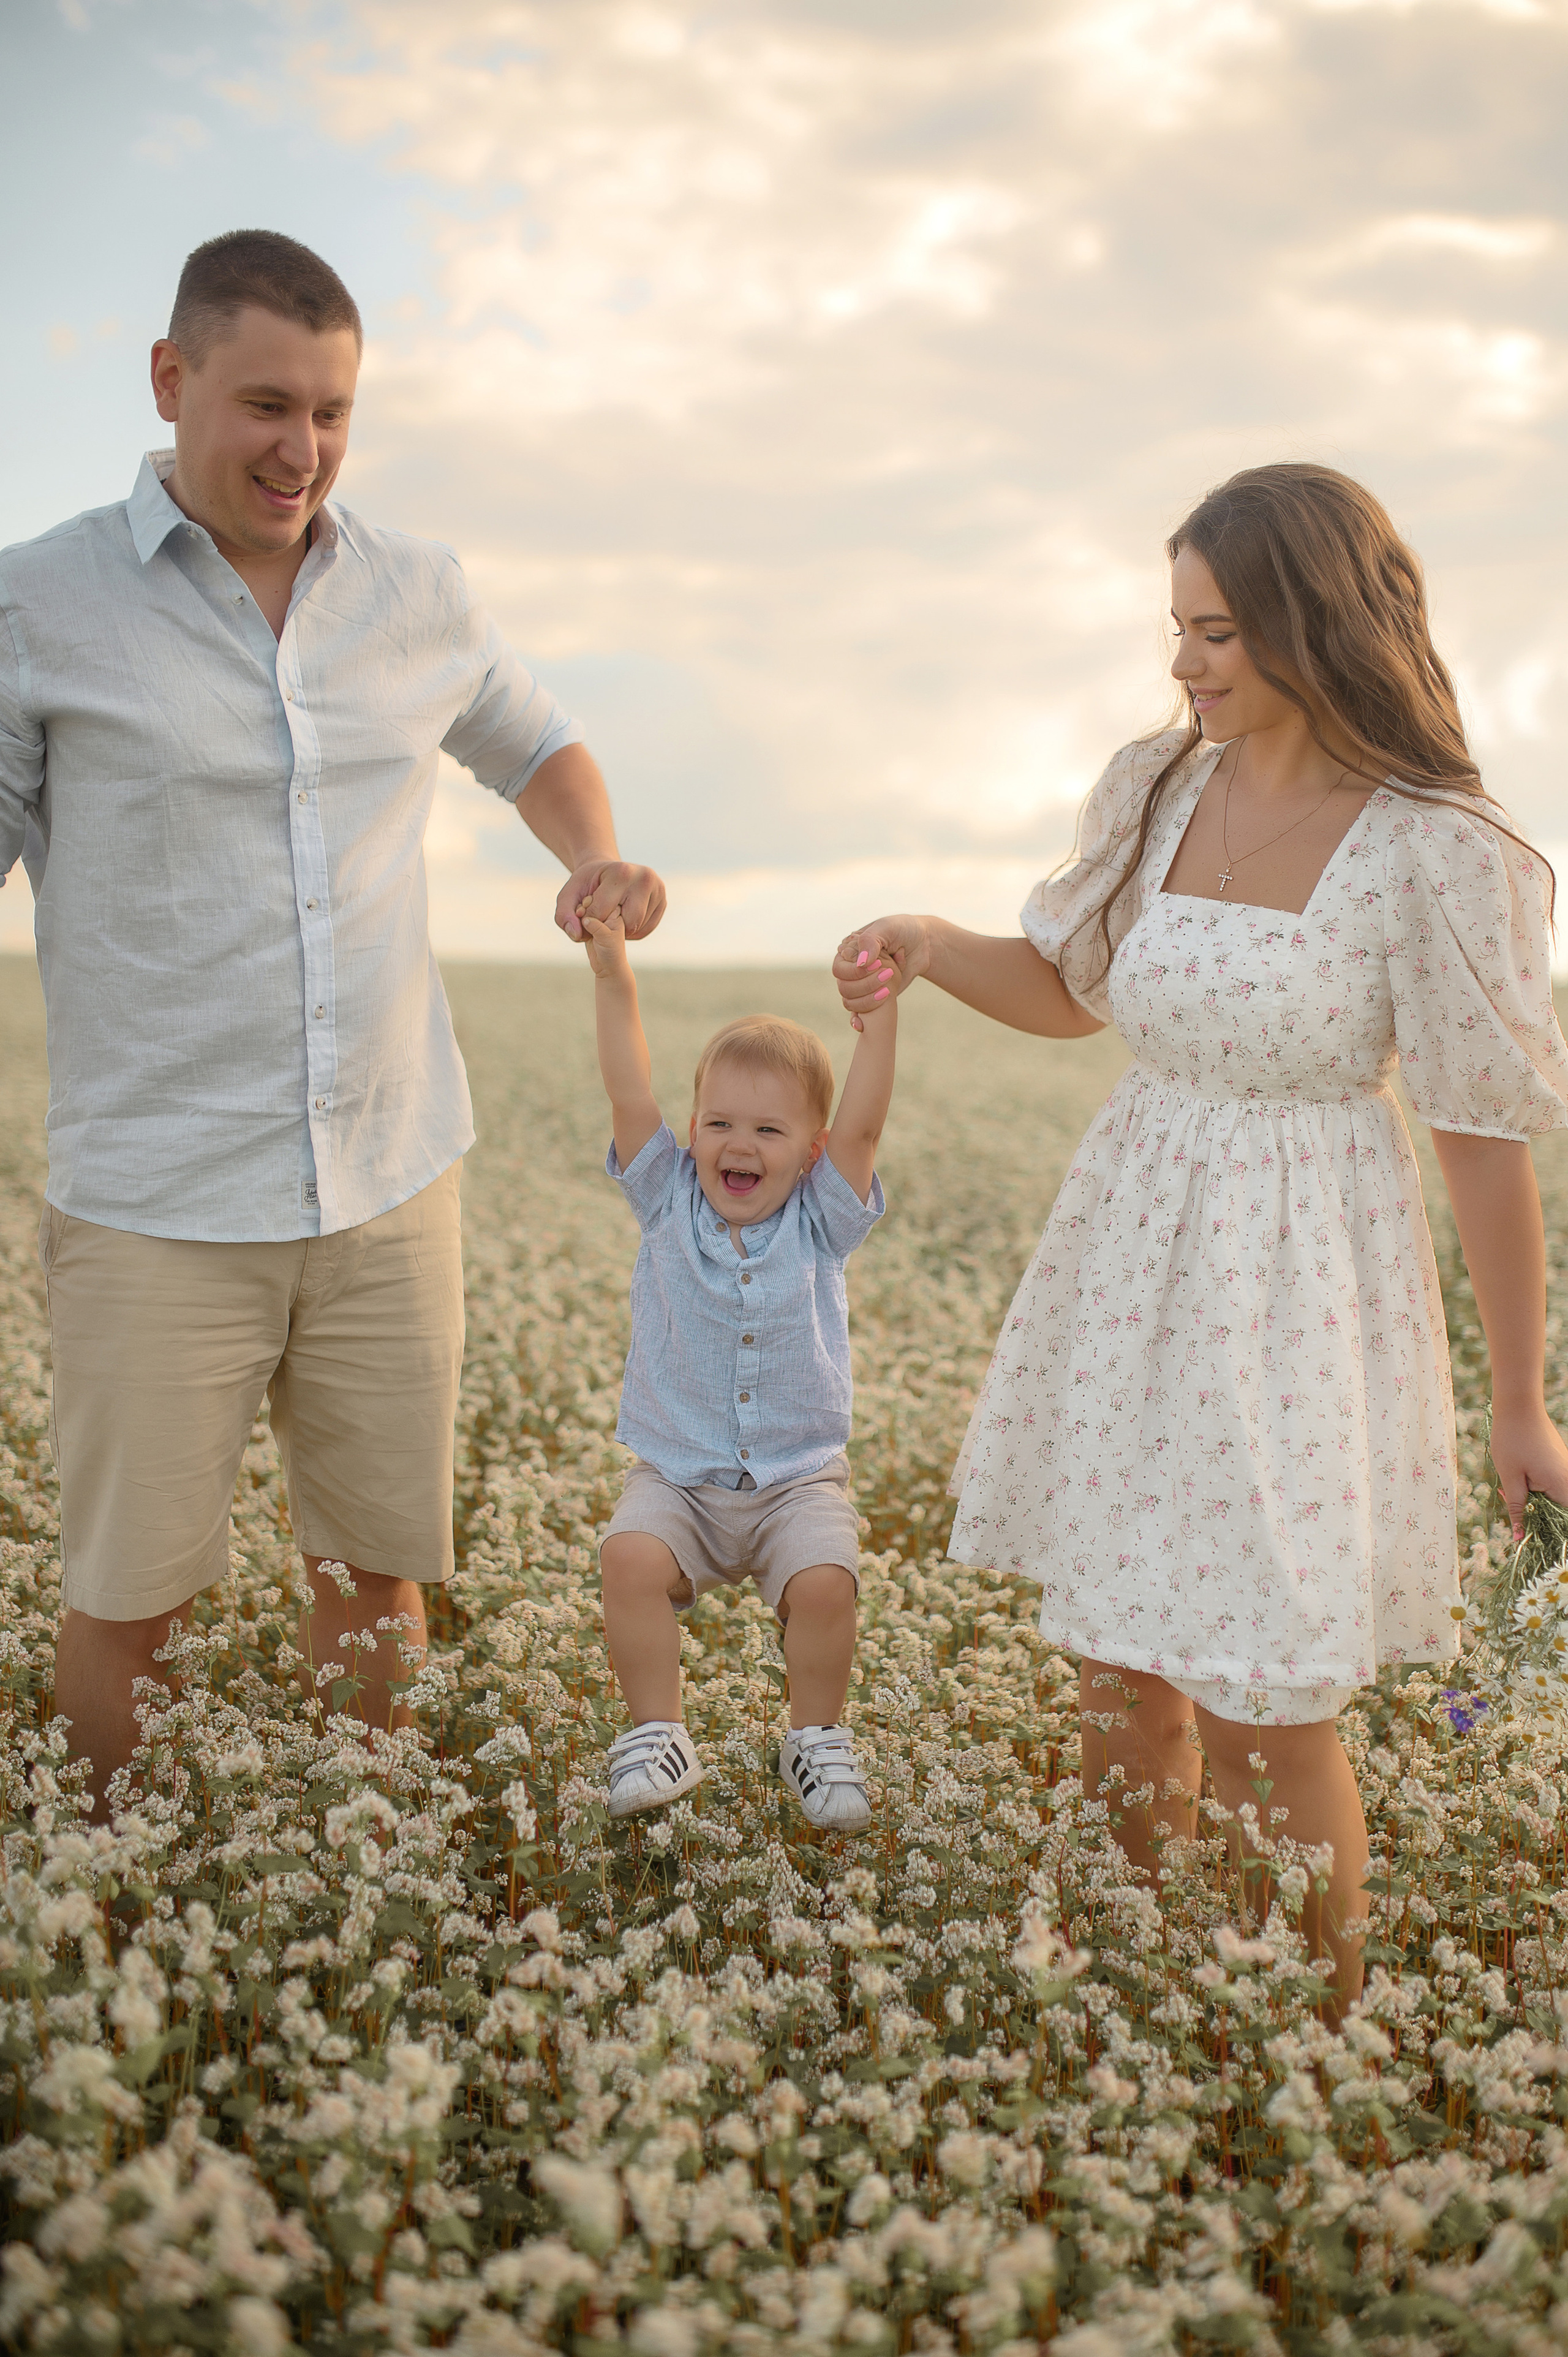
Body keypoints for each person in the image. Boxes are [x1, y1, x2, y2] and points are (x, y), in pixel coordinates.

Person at [834, 461, 1568, 2007]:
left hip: (1298, 1295)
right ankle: (1134, 2010)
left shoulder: (1436, 843)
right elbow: (1072, 989)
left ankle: (1298, 2037)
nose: (1182, 663)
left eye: (1216, 632)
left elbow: (1480, 1144)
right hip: (1131, 1265)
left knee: (1264, 1702)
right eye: (1175, 627)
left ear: (1317, 623)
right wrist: (929, 942)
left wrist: (1518, 1399)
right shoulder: (1159, 785)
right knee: (1119, 1672)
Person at [0, 229, 665, 1817]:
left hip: (387, 1178)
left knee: (376, 1578)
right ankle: (111, 1890)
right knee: (130, 1603)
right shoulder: (37, 603)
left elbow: (539, 743)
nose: (302, 448)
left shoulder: (416, 589)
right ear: (170, 381)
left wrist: (594, 856)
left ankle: (367, 1854)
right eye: (266, 406)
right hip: (159, 1198)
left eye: (333, 412)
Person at [582, 904, 897, 1828]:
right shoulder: (665, 1197)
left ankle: (816, 1741)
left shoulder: (823, 1218)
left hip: (797, 1479)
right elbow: (626, 1091)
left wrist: (880, 1019)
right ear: (690, 1131)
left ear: (811, 1152)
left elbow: (865, 1129)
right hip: (677, 1475)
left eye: (768, 1130)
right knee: (628, 1559)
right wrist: (613, 975)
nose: (739, 1145)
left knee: (827, 1584)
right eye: (718, 1123)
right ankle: (657, 1736)